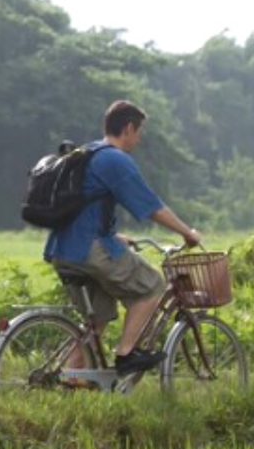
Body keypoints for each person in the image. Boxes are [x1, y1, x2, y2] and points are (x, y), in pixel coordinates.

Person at [44, 100, 203, 376]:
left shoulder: (89, 152)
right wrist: (186, 232)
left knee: (97, 321)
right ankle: (126, 354)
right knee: (152, 285)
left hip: (63, 247)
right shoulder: (115, 159)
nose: (139, 139)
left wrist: (113, 235)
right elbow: (151, 206)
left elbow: (84, 206)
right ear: (128, 128)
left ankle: (68, 378)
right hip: (88, 249)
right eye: (139, 132)